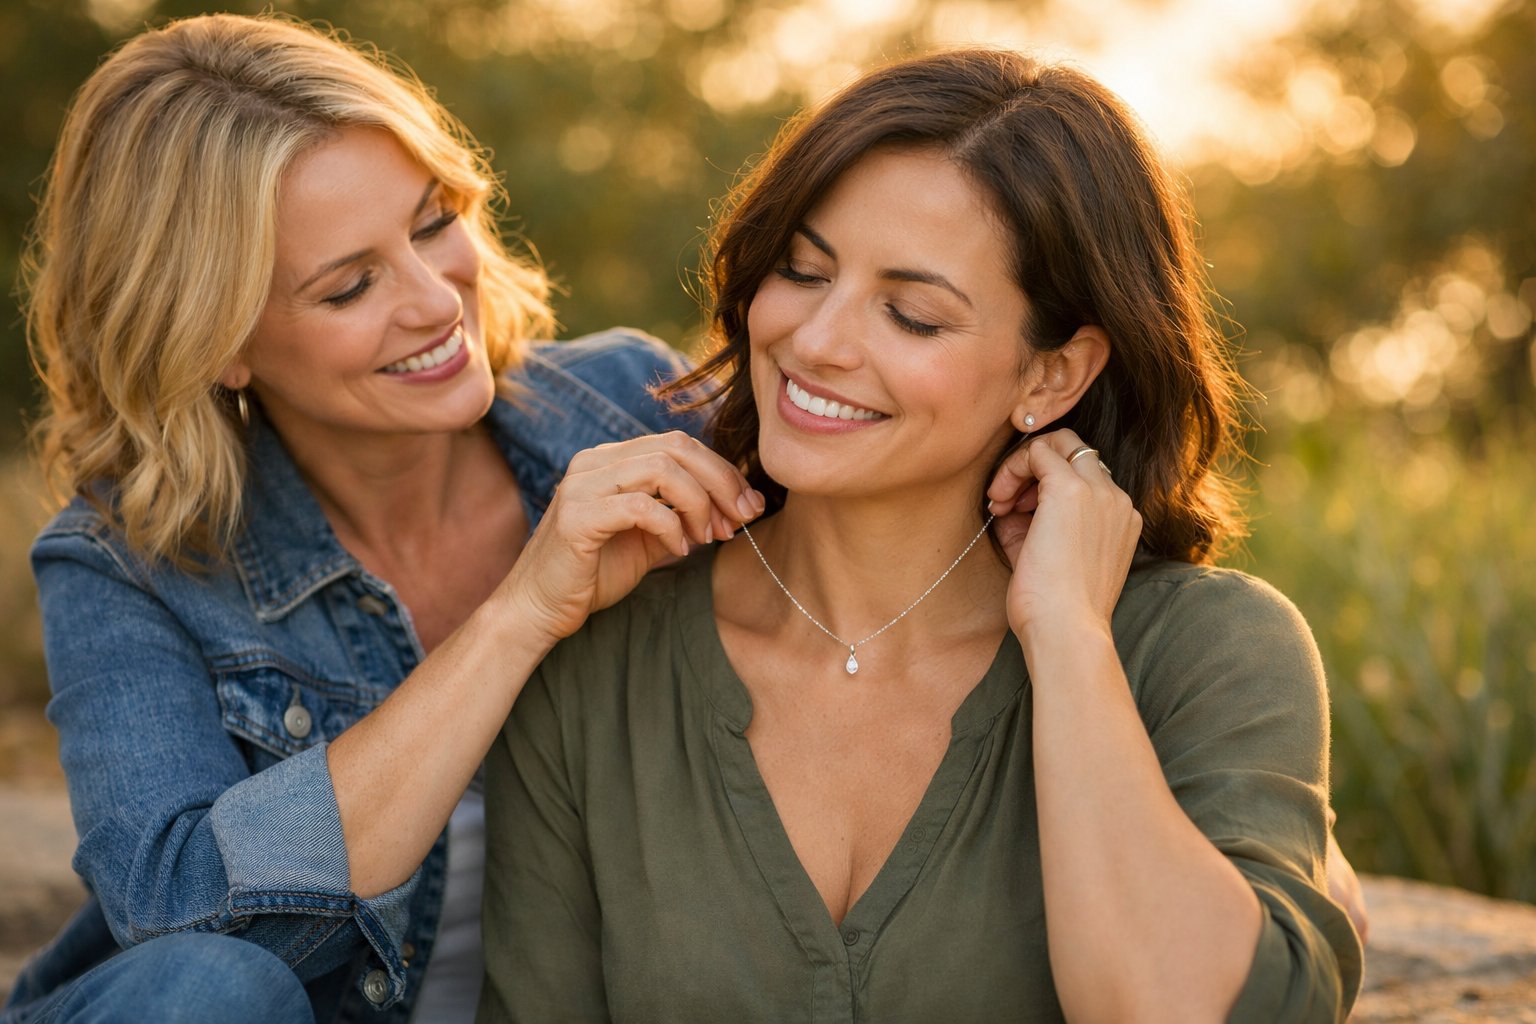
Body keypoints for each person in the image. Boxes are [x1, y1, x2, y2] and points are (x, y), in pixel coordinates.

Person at [478, 49, 1365, 1022]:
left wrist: (1069, 637)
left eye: (911, 315)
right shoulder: (600, 662)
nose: (817, 341)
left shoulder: (1208, 651)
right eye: (802, 271)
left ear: (1052, 377)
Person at [4, 13, 762, 1023]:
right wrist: (518, 615)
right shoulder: (125, 562)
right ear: (216, 340)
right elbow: (179, 919)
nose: (434, 300)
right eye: (351, 285)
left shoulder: (632, 403)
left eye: (433, 221)